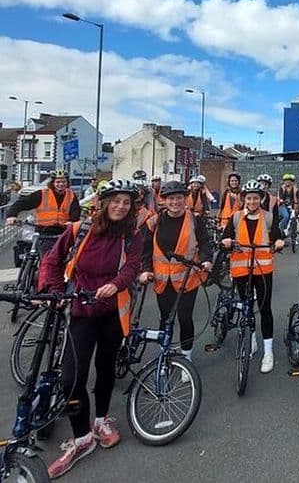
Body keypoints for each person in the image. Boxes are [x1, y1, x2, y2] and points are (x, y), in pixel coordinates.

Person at [38, 179, 143, 479]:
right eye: (116, 200)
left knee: (106, 368)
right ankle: (82, 437)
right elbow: (52, 262)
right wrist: (53, 291)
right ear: (103, 202)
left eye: (126, 202)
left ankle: (101, 419)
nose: (121, 206)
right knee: (72, 378)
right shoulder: (78, 230)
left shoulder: (131, 236)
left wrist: (116, 284)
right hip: (81, 311)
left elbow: (131, 267)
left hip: (112, 314)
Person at [138, 181, 212, 376]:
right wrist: (145, 270)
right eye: (171, 198)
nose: (175, 202)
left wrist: (205, 260)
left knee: (185, 317)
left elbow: (205, 243)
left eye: (179, 197)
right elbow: (144, 249)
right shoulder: (154, 222)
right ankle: (164, 357)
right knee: (165, 319)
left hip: (187, 278)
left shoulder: (195, 220)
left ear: (184, 198)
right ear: (164, 201)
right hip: (162, 280)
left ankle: (186, 358)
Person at [220, 180, 284, 373]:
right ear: (244, 199)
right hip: (241, 270)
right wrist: (226, 241)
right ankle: (253, 341)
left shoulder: (269, 217)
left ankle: (268, 351)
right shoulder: (236, 217)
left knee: (265, 309)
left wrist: (279, 242)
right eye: (249, 198)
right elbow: (226, 237)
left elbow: (277, 237)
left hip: (263, 271)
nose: (253, 201)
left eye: (256, 197)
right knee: (247, 308)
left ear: (261, 198)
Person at [5, 169, 80, 256]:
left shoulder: (71, 195)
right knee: (45, 256)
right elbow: (21, 203)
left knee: (63, 257)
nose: (61, 184)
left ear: (67, 183)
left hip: (63, 231)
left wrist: (72, 221)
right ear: (53, 183)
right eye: (58, 182)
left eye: (63, 182)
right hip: (44, 231)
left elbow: (76, 212)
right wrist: (11, 216)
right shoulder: (42, 194)